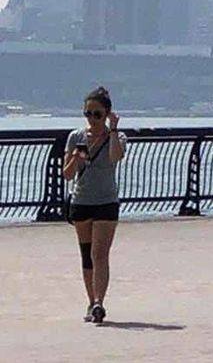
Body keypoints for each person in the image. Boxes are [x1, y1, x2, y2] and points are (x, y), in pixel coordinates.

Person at [63, 86, 126, 324]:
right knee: (87, 255)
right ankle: (91, 302)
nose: (92, 119)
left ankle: (100, 301)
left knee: (100, 253)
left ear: (107, 114)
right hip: (81, 201)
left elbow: (115, 157)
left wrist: (113, 130)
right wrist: (76, 158)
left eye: (97, 114)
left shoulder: (116, 137)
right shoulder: (76, 137)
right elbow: (67, 175)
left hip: (106, 201)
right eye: (88, 114)